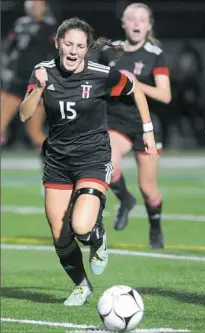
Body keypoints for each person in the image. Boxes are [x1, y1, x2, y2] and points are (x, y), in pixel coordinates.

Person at [20, 17, 157, 306]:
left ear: (87, 48)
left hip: (93, 158)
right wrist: (38, 90)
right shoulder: (42, 71)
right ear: (57, 43)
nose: (73, 51)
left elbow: (136, 89)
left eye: (79, 46)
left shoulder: (101, 74)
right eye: (68, 44)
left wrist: (147, 130)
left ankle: (97, 235)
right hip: (57, 161)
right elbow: (24, 114)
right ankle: (82, 285)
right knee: (60, 235)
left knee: (81, 227)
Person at [99, 3, 171, 249]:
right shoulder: (110, 51)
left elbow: (165, 95)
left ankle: (155, 227)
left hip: (145, 123)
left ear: (149, 25)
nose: (137, 23)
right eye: (131, 18)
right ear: (123, 23)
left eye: (142, 19)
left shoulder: (155, 54)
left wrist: (134, 83)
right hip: (116, 120)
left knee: (148, 187)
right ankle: (125, 199)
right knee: (107, 163)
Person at [1, 0, 56, 148]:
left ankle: (61, 160)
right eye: (31, 2)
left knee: (35, 133)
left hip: (36, 84)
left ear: (44, 6)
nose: (33, 5)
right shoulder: (20, 23)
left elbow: (58, 52)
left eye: (37, 3)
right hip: (17, 80)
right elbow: (8, 49)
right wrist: (7, 68)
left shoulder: (49, 26)